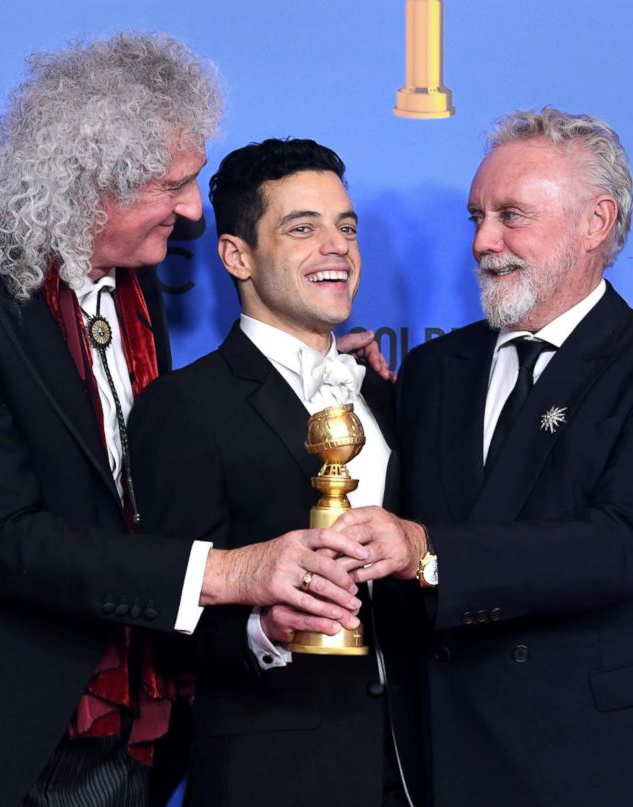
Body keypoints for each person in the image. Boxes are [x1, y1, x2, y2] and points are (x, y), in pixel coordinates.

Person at [0, 35, 382, 807]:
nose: (193, 210)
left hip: (130, 739)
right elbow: (1, 539)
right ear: (92, 184)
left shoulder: (135, 291)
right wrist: (227, 572)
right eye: (174, 184)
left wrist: (325, 373)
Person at [334, 107, 633, 807]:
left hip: (601, 768)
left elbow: (626, 544)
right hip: (448, 762)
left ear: (595, 223)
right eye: (476, 217)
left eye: (511, 215)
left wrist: (431, 553)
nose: (483, 241)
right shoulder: (432, 369)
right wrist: (334, 385)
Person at [128, 138, 426, 807]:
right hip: (277, 777)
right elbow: (160, 615)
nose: (337, 247)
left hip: (416, 770)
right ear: (236, 255)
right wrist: (265, 630)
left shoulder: (385, 395)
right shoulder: (184, 408)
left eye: (346, 227)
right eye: (303, 228)